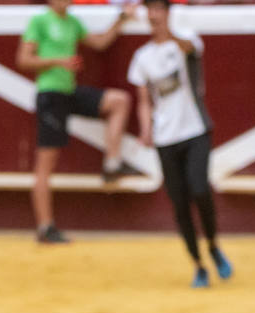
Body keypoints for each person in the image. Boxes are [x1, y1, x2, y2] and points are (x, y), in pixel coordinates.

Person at [128, 0, 231, 288]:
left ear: (167, 13)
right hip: (165, 137)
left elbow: (190, 48)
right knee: (179, 204)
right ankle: (198, 263)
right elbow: (144, 99)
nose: (153, 15)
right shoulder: (142, 56)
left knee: (199, 189)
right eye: (150, 10)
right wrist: (146, 128)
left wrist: (169, 34)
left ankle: (212, 244)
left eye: (158, 9)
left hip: (195, 129)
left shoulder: (184, 40)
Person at [18, 0, 135, 244]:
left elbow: (100, 42)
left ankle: (112, 164)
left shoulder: (73, 22)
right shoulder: (40, 21)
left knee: (119, 101)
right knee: (45, 164)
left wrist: (121, 19)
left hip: (68, 91)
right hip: (50, 94)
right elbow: (23, 60)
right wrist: (58, 62)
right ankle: (45, 227)